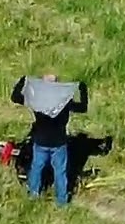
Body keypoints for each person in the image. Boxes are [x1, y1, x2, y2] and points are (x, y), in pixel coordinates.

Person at [10, 73, 89, 205]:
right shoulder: (63, 102)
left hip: (40, 141)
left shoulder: (37, 101)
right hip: (59, 143)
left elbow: (15, 97)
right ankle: (62, 201)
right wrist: (83, 90)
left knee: (36, 168)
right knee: (60, 172)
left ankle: (33, 194)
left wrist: (22, 82)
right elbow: (82, 107)